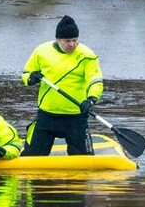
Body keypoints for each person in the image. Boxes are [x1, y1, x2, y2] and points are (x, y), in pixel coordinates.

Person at [21, 15, 103, 156]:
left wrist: (91, 99)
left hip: (75, 116)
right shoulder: (41, 51)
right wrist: (31, 79)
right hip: (47, 116)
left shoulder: (87, 55)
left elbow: (95, 80)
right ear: (58, 39)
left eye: (74, 40)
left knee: (83, 160)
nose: (71, 44)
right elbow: (26, 73)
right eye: (67, 41)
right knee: (32, 157)